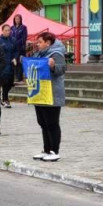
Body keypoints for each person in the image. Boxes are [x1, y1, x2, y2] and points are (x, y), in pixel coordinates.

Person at [30, 31, 66, 161]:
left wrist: (53, 66)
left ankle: (54, 151)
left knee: (52, 123)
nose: (37, 44)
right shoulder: (38, 54)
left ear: (48, 43)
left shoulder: (57, 53)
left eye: (40, 42)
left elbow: (61, 69)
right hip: (40, 93)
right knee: (43, 122)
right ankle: (46, 149)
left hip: (52, 93)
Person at [0, 24, 18, 107]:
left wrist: (15, 58)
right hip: (3, 65)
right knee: (5, 82)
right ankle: (5, 99)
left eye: (9, 30)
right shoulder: (0, 40)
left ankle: (3, 97)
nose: (7, 32)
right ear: (2, 31)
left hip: (11, 64)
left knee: (10, 83)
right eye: (5, 30)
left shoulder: (13, 40)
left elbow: (16, 50)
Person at [11, 14, 28, 83]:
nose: (17, 20)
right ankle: (15, 77)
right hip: (13, 49)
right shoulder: (12, 28)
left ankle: (20, 78)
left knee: (20, 62)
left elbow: (24, 38)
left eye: (18, 19)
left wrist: (16, 43)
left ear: (20, 19)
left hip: (21, 48)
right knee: (14, 62)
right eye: (15, 19)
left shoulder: (23, 27)